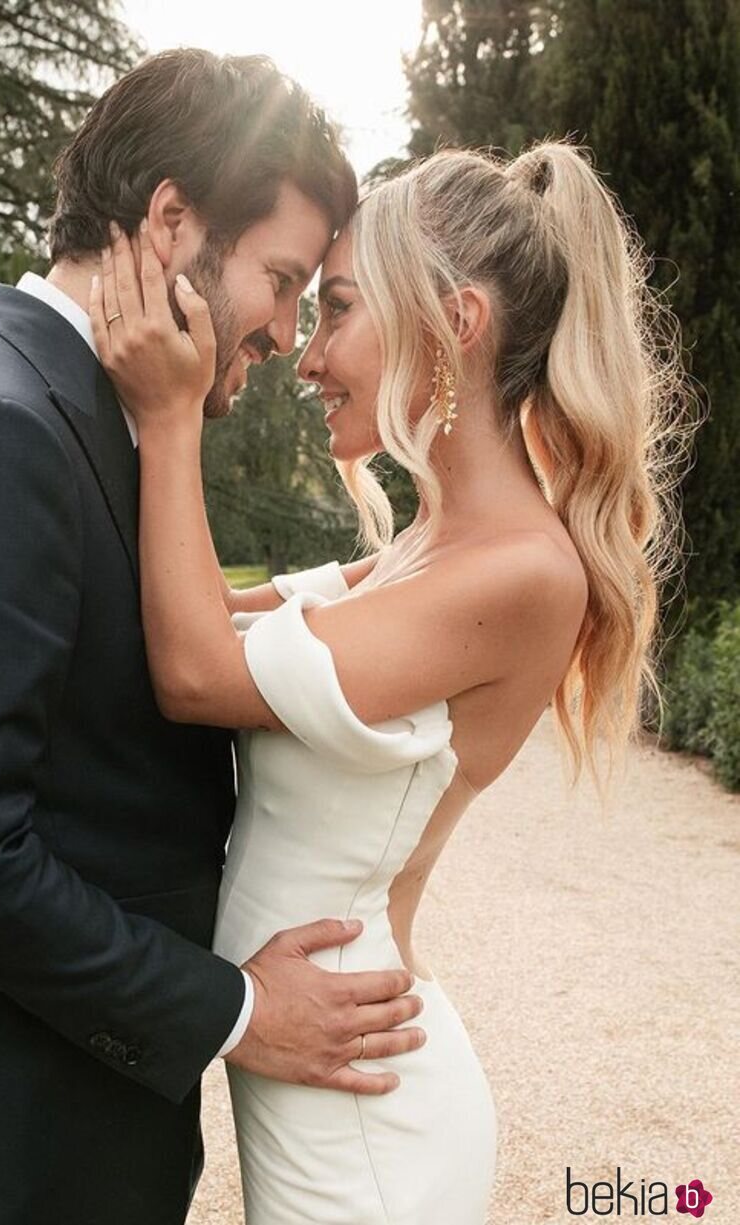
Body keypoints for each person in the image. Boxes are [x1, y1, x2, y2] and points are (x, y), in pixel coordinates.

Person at [0, 50, 429, 1225]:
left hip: (77, 1144)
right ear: (169, 223)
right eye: (280, 276)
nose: (286, 329)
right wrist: (237, 1011)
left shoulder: (91, 424)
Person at [90, 140, 691, 1222]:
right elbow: (193, 618)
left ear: (452, 323)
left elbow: (194, 670)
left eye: (337, 311)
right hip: (315, 1077)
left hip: (363, 1111)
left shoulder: (518, 572)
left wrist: (169, 414)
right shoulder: (420, 552)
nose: (307, 355)